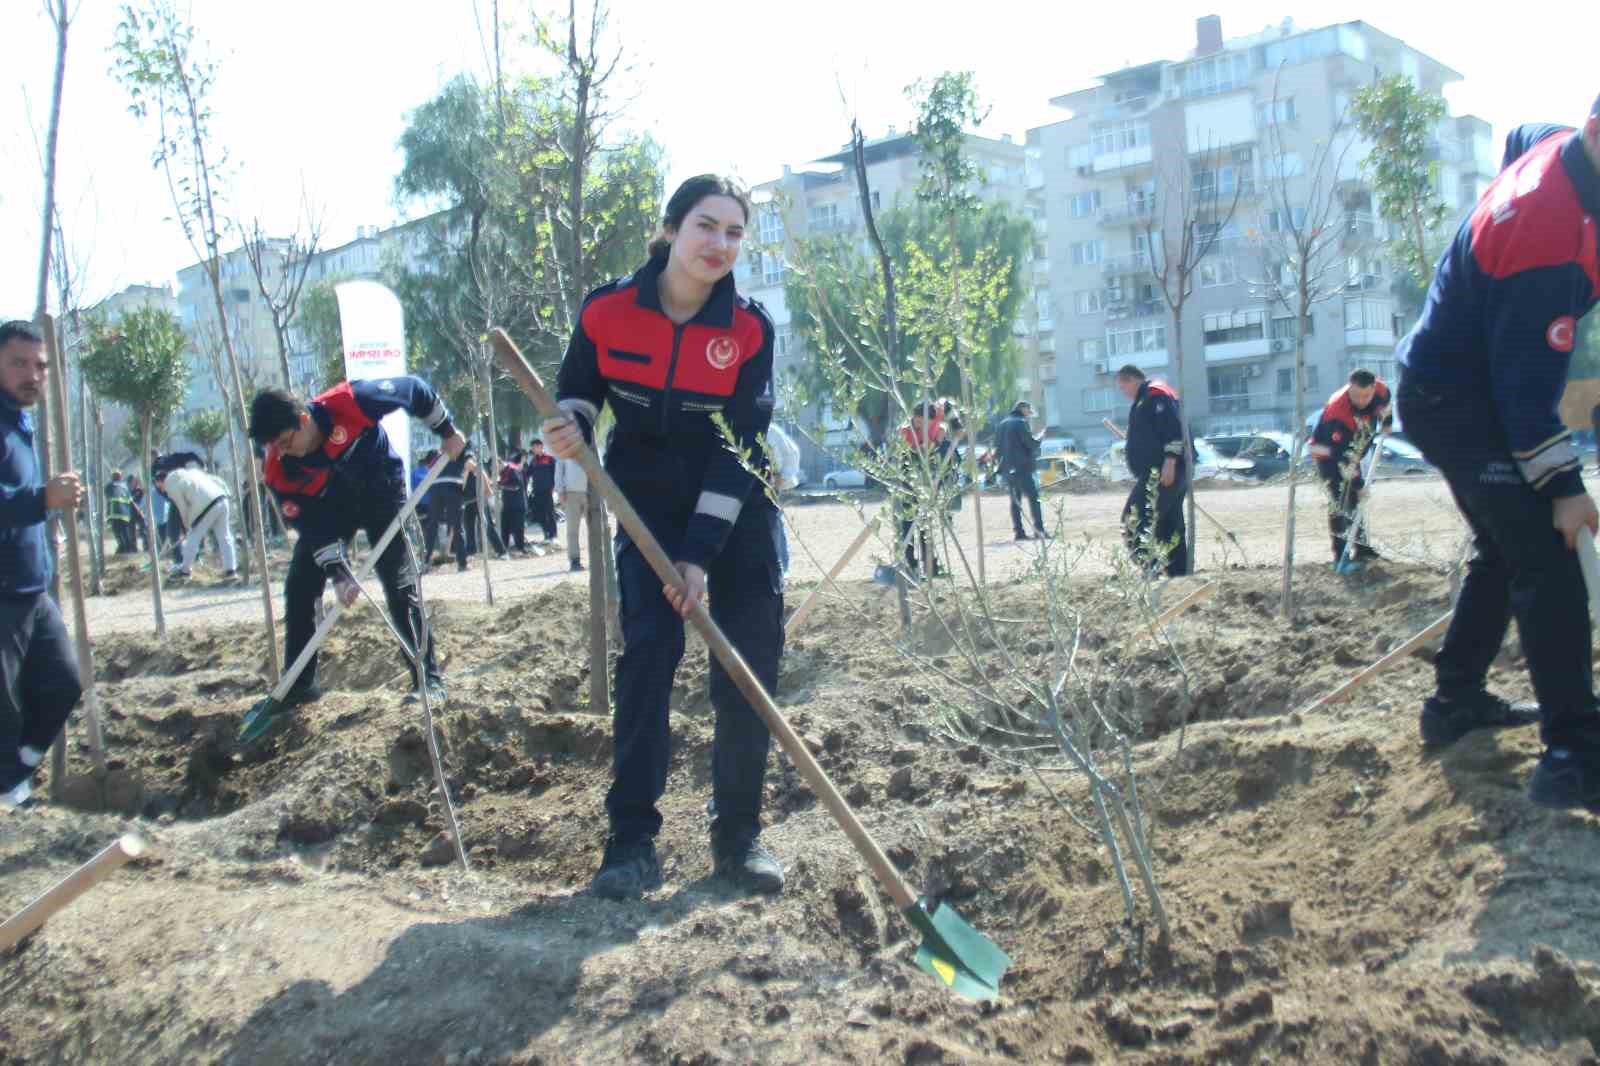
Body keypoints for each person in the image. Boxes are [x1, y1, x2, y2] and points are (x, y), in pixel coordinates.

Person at [545, 173, 785, 900]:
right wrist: (571, 427)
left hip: (734, 503)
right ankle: (630, 842)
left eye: (735, 232)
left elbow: (741, 443)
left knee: (748, 656)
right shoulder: (608, 311)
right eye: (707, 226)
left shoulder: (749, 328)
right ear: (672, 228)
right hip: (643, 494)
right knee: (649, 654)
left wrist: (700, 556)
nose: (721, 244)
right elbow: (578, 392)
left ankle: (737, 833)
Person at [1394, 102, 1600, 797]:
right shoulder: (1547, 234)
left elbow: (1523, 135)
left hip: (1452, 385)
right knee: (1547, 551)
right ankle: (1573, 756)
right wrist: (1567, 490)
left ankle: (1454, 705)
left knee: (1502, 545)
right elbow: (1524, 404)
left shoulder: (1563, 150)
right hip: (1460, 403)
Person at [248, 378, 467, 710]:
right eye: (273, 446)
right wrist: (338, 572)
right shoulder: (278, 470)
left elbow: (413, 389)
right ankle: (299, 685)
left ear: (303, 420)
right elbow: (309, 525)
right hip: (329, 509)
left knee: (399, 582)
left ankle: (428, 680)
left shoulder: (351, 402)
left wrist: (447, 431)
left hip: (382, 492)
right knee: (300, 586)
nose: (281, 452)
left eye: (285, 441)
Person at [0, 320, 85, 808]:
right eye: (19, 363)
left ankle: (15, 776)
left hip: (34, 589)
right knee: (3, 706)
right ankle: (10, 795)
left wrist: (52, 503)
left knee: (63, 681)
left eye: (41, 366)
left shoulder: (20, 422)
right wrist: (40, 499)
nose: (32, 374)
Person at [1309, 369, 1392, 570]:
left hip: (1352, 451)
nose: (1361, 401)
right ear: (1349, 389)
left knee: (1356, 502)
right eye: (1356, 396)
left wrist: (1387, 423)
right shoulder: (1338, 413)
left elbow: (1386, 406)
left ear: (1373, 388)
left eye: (1366, 396)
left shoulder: (1381, 390)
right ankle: (1340, 557)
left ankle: (1363, 551)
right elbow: (1343, 458)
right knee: (1340, 502)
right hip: (1327, 452)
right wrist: (1359, 484)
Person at [1116, 364, 1189, 578]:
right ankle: (1178, 574)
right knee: (1167, 524)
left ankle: (1151, 568)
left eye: (1123, 387)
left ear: (1131, 380)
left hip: (1163, 472)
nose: (1124, 392)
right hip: (1160, 471)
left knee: (1133, 519)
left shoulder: (1155, 395)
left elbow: (1174, 429)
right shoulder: (1145, 398)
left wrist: (1170, 461)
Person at [154, 460, 238, 580]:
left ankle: (185, 571)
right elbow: (214, 480)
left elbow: (182, 508)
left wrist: (187, 525)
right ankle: (231, 570)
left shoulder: (171, 486)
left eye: (160, 487)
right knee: (224, 536)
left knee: (193, 537)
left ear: (163, 481)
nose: (162, 490)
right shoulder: (193, 474)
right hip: (222, 499)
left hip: (205, 506)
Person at [995, 400, 1049, 541]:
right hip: (1023, 468)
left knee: (1015, 502)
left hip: (1007, 469)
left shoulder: (1002, 425)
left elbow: (998, 449)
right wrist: (1040, 437)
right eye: (1028, 411)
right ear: (1023, 409)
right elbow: (1030, 443)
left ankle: (1019, 532)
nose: (1029, 415)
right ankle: (1039, 531)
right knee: (1034, 499)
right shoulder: (1020, 423)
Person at [422, 448, 470, 573]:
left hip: (436, 488)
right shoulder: (461, 452)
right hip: (453, 488)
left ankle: (425, 562)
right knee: (458, 527)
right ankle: (462, 563)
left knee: (432, 526)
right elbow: (470, 466)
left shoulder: (439, 458)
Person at [764, 423, 802, 578]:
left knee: (773, 524)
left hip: (770, 483)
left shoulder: (771, 431)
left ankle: (782, 570)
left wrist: (783, 477)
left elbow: (792, 453)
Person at [554, 450, 588, 572]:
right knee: (572, 529)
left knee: (597, 528)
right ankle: (575, 560)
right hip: (571, 493)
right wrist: (560, 490)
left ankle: (599, 558)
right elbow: (559, 470)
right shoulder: (563, 449)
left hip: (591, 493)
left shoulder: (591, 444)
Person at [525, 439, 559, 543]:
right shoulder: (534, 461)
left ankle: (553, 535)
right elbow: (527, 474)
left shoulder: (550, 459)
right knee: (540, 514)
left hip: (547, 490)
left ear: (540, 446)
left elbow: (556, 474)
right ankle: (546, 535)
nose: (533, 450)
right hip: (537, 491)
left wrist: (554, 487)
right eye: (532, 448)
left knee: (550, 512)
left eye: (534, 447)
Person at [498, 450, 529, 553]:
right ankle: (504, 548)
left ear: (501, 463)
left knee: (518, 528)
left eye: (497, 466)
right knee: (504, 528)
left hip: (518, 505)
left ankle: (520, 548)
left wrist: (500, 486)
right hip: (507, 505)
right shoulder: (503, 472)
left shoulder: (512, 470)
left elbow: (516, 486)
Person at [106, 470, 135, 554]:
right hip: (122, 515)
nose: (116, 476)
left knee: (121, 535)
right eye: (115, 475)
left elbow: (130, 501)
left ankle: (124, 550)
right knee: (123, 535)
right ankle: (125, 550)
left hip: (118, 515)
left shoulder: (110, 486)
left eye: (116, 475)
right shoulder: (123, 486)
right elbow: (131, 501)